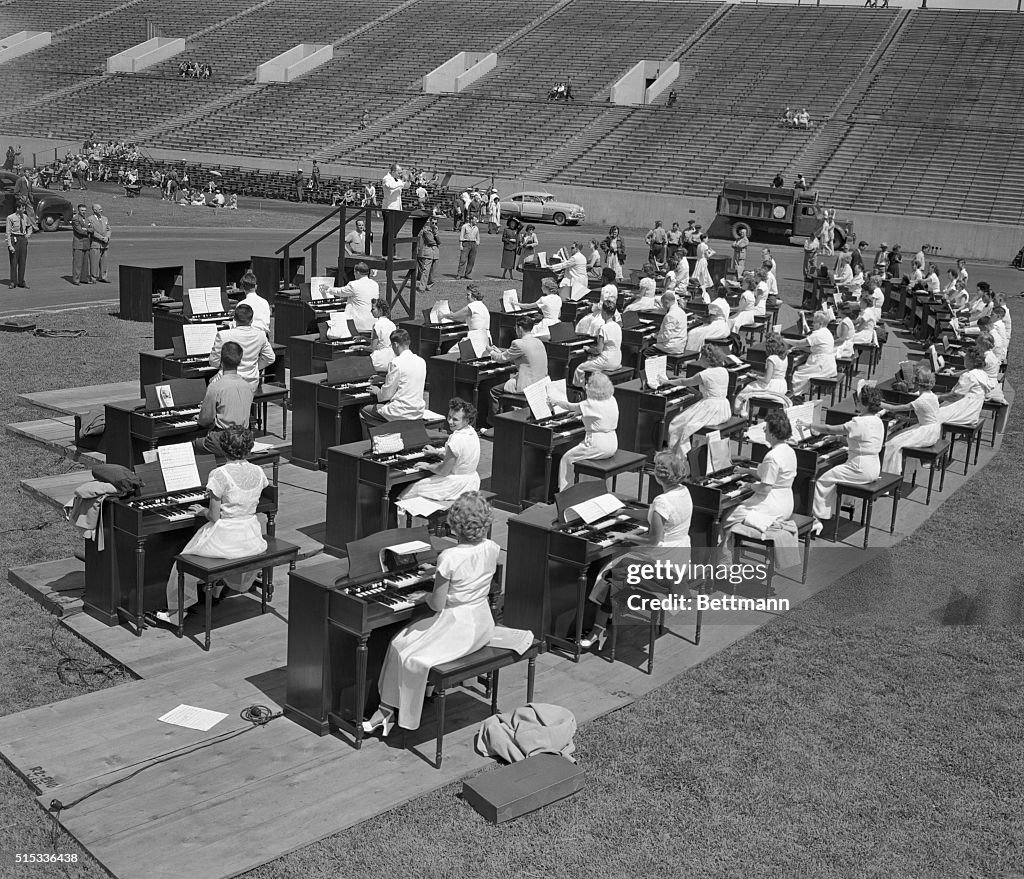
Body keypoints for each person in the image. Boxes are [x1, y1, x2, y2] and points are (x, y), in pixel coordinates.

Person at [363, 492, 498, 736]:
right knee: (408, 639)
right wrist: (437, 574)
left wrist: (422, 595)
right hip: (482, 621)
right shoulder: (492, 547)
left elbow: (437, 604)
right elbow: (469, 573)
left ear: (455, 525)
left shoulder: (450, 557)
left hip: (457, 627)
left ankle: (387, 710)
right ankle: (409, 698)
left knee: (400, 645)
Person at [578, 450, 692, 650]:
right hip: (679, 557)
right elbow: (653, 515)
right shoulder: (683, 491)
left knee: (610, 575)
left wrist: (624, 536)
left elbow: (653, 540)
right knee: (617, 566)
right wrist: (624, 512)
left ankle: (596, 630)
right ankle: (608, 616)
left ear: (659, 475)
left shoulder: (662, 501)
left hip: (661, 562)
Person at [154, 426, 269, 625]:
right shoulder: (258, 471)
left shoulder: (219, 474)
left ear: (223, 448)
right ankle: (215, 588)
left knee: (183, 561)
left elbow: (215, 516)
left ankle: (176, 613)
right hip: (250, 535)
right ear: (249, 447)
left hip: (226, 536)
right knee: (205, 552)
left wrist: (201, 511)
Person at [802, 386, 885, 536]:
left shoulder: (858, 422)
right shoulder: (878, 421)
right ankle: (828, 511)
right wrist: (839, 439)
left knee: (821, 480)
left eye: (859, 401)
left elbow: (828, 428)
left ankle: (816, 519)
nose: (857, 404)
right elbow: (862, 442)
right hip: (874, 467)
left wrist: (810, 425)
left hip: (859, 468)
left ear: (865, 405)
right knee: (831, 476)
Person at [719, 410, 797, 562]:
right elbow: (768, 475)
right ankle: (730, 554)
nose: (764, 431)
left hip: (773, 506)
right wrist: (746, 470)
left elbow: (765, 488)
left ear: (773, 435)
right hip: (786, 502)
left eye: (765, 429)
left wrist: (748, 485)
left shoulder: (772, 456)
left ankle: (726, 561)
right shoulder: (789, 450)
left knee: (727, 516)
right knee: (734, 510)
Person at [400, 397, 481, 506]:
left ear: (466, 420)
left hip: (455, 486)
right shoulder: (471, 432)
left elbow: (444, 471)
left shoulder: (457, 439)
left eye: (455, 419)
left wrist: (428, 466)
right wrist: (437, 453)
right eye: (449, 417)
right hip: (472, 482)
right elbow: (460, 457)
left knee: (408, 492)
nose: (450, 421)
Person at [548, 373, 618, 490]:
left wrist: (555, 401)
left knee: (567, 459)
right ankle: (587, 489)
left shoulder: (589, 403)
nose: (586, 386)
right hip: (612, 442)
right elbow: (600, 416)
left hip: (597, 444)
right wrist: (580, 413)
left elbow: (569, 406)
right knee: (582, 460)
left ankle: (566, 491)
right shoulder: (612, 399)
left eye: (588, 384)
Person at [665, 345, 732, 462]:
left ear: (706, 358)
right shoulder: (724, 370)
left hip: (710, 409)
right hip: (724, 408)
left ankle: (679, 457)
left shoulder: (704, 374)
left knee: (678, 423)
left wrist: (667, 381)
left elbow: (684, 382)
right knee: (684, 422)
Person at [484, 314, 549, 433]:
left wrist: (491, 352)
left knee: (494, 391)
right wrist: (500, 351)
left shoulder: (518, 343)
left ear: (519, 328)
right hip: (541, 382)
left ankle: (495, 426)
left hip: (527, 385)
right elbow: (517, 356)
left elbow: (501, 359)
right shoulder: (538, 342)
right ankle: (507, 418)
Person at [194, 342, 255, 455]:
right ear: (240, 361)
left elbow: (205, 420)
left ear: (221, 362)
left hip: (222, 441)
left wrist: (199, 417)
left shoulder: (215, 387)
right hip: (243, 440)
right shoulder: (248, 386)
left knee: (191, 445)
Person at [360, 328, 427, 430]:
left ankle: (376, 439)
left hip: (400, 412)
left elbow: (386, 395)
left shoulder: (396, 363)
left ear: (395, 344)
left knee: (364, 410)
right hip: (417, 410)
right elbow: (407, 378)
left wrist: (378, 392)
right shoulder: (421, 361)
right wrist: (383, 378)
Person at [880, 370, 941, 473]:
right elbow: (927, 417)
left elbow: (893, 408)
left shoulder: (920, 401)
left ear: (918, 384)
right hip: (934, 430)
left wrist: (878, 403)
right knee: (894, 437)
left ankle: (890, 473)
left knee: (893, 444)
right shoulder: (932, 396)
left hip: (927, 433)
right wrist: (907, 420)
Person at [210, 304, 276, 387]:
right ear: (251, 320)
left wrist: (225, 367)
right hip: (251, 382)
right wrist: (254, 367)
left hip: (228, 382)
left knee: (211, 385)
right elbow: (270, 358)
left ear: (234, 319)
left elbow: (213, 361)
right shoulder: (261, 335)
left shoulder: (223, 335)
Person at [734, 332, 789, 417]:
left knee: (746, 390)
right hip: (782, 385)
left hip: (772, 386)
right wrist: (758, 373)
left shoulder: (771, 359)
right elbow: (774, 373)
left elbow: (767, 380)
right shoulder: (784, 356)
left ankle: (740, 414)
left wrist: (754, 376)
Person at [937, 347, 993, 427]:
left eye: (965, 358)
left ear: (971, 361)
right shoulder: (982, 374)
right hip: (973, 413)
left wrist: (939, 397)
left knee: (931, 415)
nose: (964, 359)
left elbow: (955, 396)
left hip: (964, 412)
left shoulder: (969, 376)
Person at [573, 300, 622, 388]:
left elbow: (598, 350)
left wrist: (588, 349)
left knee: (580, 368)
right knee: (591, 361)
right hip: (617, 360)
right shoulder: (618, 326)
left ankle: (579, 391)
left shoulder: (603, 328)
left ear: (603, 311)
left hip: (607, 361)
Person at [790, 312, 837, 398]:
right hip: (829, 364)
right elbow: (816, 349)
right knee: (801, 369)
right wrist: (800, 349)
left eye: (814, 322)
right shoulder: (827, 332)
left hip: (821, 365)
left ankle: (794, 395)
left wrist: (783, 340)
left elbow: (799, 343)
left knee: (798, 373)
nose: (812, 324)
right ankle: (801, 394)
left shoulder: (818, 334)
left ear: (820, 324)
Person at [328, 261, 378, 332]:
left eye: (354, 272)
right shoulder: (375, 284)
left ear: (357, 272)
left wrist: (328, 289)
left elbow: (340, 292)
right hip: (373, 321)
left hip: (358, 324)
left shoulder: (353, 285)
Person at [651, 291, 688, 355]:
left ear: (667, 303)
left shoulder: (670, 315)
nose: (663, 306)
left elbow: (666, 336)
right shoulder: (682, 312)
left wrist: (655, 336)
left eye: (663, 304)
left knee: (646, 352)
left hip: (671, 347)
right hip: (680, 344)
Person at [367, 298, 397, 372]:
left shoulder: (377, 325)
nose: (371, 311)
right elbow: (383, 340)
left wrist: (360, 346)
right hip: (392, 358)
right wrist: (364, 338)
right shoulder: (392, 324)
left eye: (373, 309)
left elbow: (372, 348)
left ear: (380, 310)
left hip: (380, 360)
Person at [6, 201, 32, 289]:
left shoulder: (25, 217)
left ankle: (21, 281)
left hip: (22, 240)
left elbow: (29, 227)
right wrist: (10, 245)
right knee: (14, 262)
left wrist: (28, 235)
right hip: (14, 239)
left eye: (24, 208)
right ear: (17, 208)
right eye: (22, 208)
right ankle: (13, 281)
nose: (24, 210)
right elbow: (8, 232)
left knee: (22, 261)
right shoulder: (10, 218)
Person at [237, 270, 271, 336]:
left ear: (243, 287)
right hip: (263, 336)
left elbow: (238, 326)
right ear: (256, 286)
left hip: (248, 337)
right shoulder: (265, 302)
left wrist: (229, 324)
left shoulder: (241, 304)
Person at [416, 215, 440, 292]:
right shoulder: (426, 230)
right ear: (429, 222)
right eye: (432, 222)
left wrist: (436, 235)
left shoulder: (436, 230)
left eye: (436, 223)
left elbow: (438, 241)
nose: (434, 224)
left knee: (433, 272)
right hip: (428, 252)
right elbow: (431, 241)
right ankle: (422, 287)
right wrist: (436, 237)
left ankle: (429, 286)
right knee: (426, 271)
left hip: (435, 252)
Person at [70, 204, 91, 285]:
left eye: (85, 210)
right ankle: (76, 279)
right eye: (82, 210)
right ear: (78, 210)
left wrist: (87, 229)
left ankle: (84, 278)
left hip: (86, 243)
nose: (84, 212)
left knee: (85, 263)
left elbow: (92, 229)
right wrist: (87, 230)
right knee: (77, 263)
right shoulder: (75, 219)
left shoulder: (87, 219)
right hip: (78, 243)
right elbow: (79, 231)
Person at [456, 215, 480, 279]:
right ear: (471, 220)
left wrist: (477, 243)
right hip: (466, 243)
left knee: (471, 261)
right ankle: (460, 274)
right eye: (475, 220)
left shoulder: (476, 228)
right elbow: (461, 235)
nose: (476, 221)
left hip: (473, 244)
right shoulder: (465, 226)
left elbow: (478, 237)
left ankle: (468, 274)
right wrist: (461, 245)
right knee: (463, 260)